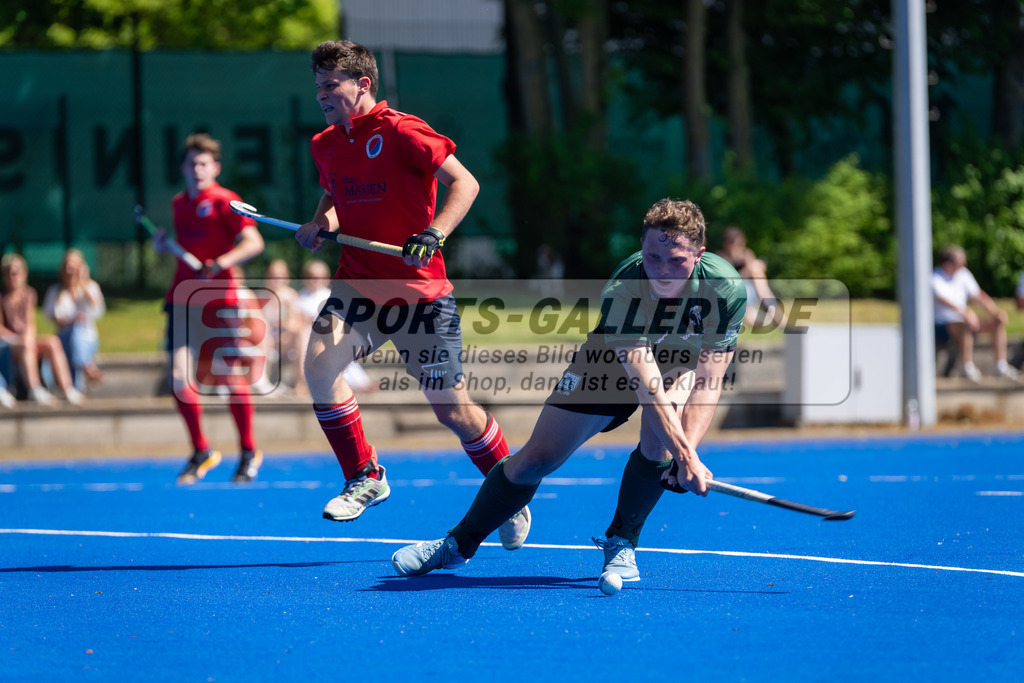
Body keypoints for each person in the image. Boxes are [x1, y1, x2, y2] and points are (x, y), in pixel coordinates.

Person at [390, 198, 746, 581]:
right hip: (613, 359)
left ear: (699, 255)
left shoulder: (725, 290)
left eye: (675, 259)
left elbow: (708, 381)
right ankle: (458, 545)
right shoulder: (627, 284)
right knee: (538, 458)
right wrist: (687, 456)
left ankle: (622, 542)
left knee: (663, 438)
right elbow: (645, 387)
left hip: (680, 361)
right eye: (652, 257)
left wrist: (685, 453)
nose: (661, 271)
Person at [293, 40, 528, 547]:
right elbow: (335, 193)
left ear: (363, 84)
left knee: (453, 411)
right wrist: (319, 223)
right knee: (318, 365)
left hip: (420, 296)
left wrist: (434, 233)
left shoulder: (402, 131)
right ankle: (366, 476)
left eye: (331, 85)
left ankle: (510, 491)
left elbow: (465, 184)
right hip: (358, 284)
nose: (322, 95)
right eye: (318, 86)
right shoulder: (325, 142)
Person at [152, 132, 266, 484]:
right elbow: (183, 245)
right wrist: (163, 246)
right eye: (192, 163)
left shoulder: (226, 200)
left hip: (221, 302)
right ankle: (202, 450)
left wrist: (221, 262)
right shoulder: (178, 204)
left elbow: (254, 242)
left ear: (215, 167)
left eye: (204, 163)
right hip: (183, 299)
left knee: (232, 378)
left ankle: (248, 451)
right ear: (184, 168)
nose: (198, 169)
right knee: (177, 379)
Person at [0, 253, 83, 405]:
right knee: (26, 343)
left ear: (24, 274)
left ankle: (67, 388)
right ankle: (34, 388)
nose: (14, 276)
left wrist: (28, 337)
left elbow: (30, 323)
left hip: (24, 342)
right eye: (10, 273)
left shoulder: (29, 293)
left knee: (52, 342)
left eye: (17, 272)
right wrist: (21, 339)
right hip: (6, 343)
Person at [931, 243, 1020, 382]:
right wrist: (965, 312)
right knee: (966, 324)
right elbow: (945, 300)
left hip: (965, 321)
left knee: (997, 322)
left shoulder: (963, 274)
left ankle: (1001, 366)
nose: (964, 264)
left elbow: (978, 295)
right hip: (941, 324)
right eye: (960, 261)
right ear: (948, 262)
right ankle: (967, 368)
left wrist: (995, 312)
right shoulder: (935, 277)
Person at [292, 259, 374, 396]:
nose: (314, 280)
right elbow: (294, 322)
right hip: (305, 335)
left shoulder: (330, 295)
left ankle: (356, 383)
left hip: (327, 335)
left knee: (336, 347)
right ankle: (303, 382)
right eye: (311, 276)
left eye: (318, 277)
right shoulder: (300, 297)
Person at [43, 248, 106, 391]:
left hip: (87, 339)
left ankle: (83, 371)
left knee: (77, 333)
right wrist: (72, 320)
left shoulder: (90, 287)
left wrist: (83, 281)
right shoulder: (55, 291)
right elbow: (53, 317)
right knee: (73, 331)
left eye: (73, 266)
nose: (69, 270)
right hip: (63, 337)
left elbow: (98, 310)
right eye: (67, 266)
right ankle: (87, 367)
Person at [716, 226, 785, 330]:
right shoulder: (721, 257)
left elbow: (754, 272)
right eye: (733, 244)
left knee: (757, 271)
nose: (737, 247)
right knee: (754, 269)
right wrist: (749, 268)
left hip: (752, 291)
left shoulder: (746, 253)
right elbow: (730, 281)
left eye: (740, 244)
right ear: (726, 244)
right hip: (732, 293)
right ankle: (762, 315)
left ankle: (771, 309)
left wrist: (753, 267)